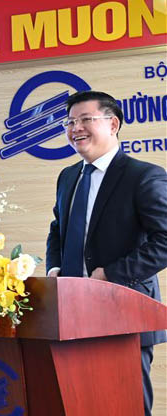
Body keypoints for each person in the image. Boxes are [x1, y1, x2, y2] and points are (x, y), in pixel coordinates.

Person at [45, 90, 167, 416]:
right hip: (70, 315)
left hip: (124, 315)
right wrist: (55, 268)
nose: (75, 128)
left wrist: (111, 274)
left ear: (113, 124)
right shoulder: (68, 176)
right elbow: (58, 229)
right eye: (70, 122)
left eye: (86, 119)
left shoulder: (142, 176)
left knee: (126, 406)